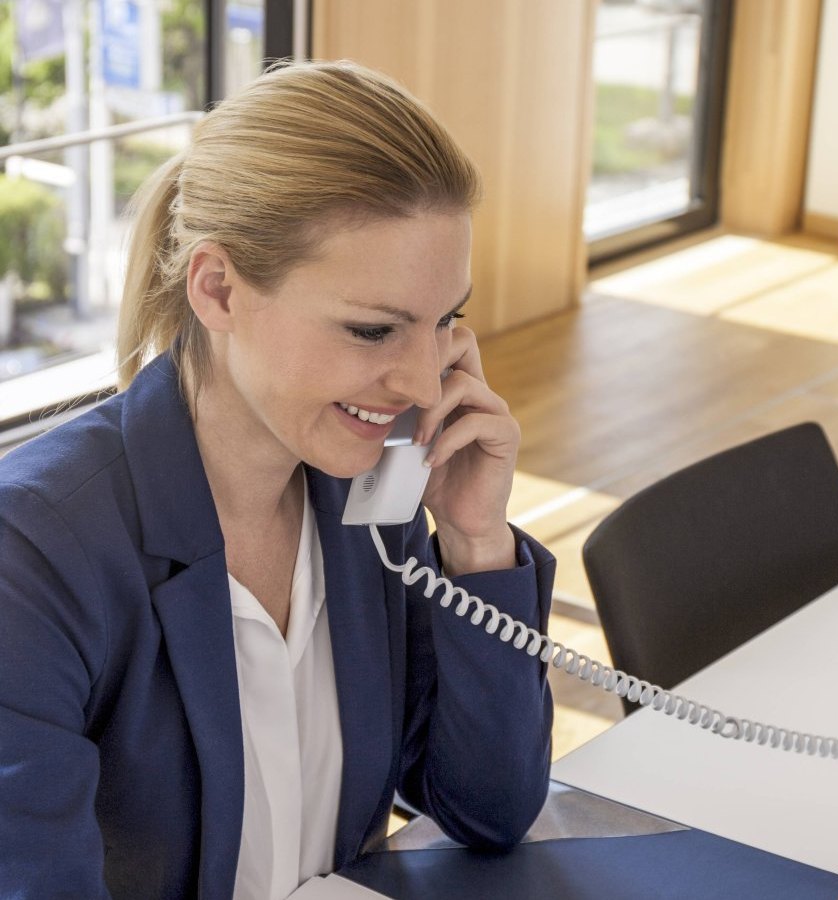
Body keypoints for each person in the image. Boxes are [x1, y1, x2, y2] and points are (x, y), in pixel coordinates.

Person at [0, 61, 555, 899]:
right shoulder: (33, 555)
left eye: (444, 321)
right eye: (373, 330)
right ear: (218, 288)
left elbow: (489, 811)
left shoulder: (366, 490)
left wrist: (475, 543)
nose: (422, 385)